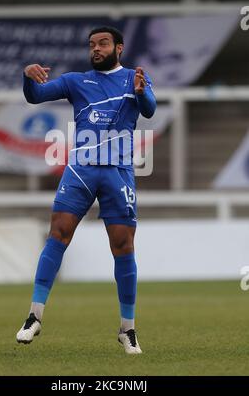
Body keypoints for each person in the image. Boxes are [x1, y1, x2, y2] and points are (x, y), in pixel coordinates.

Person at [16, 26, 156, 354]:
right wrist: (27, 76)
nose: (95, 49)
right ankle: (33, 316)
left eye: (103, 43)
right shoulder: (76, 81)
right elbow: (35, 95)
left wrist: (140, 91)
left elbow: (149, 109)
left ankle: (128, 328)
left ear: (118, 48)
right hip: (81, 171)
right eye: (92, 44)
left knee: (123, 246)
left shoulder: (135, 77)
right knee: (58, 234)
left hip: (118, 173)